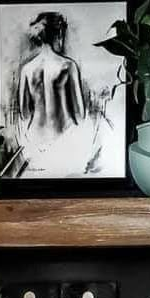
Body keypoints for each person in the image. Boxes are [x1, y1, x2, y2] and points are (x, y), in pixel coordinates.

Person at [16, 11, 94, 177]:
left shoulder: (27, 69)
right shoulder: (68, 65)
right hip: (64, 140)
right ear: (59, 33)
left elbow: (23, 113)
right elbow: (80, 114)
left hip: (35, 141)